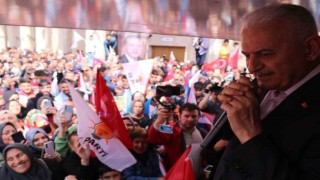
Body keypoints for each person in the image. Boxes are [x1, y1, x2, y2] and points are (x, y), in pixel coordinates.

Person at [213, 4, 320, 179]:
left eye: (266, 54)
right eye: (247, 55)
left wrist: (251, 135)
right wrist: (234, 111)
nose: (252, 67)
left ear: (311, 48)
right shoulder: (264, 87)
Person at [147, 103, 207, 170]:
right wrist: (158, 121)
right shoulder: (169, 128)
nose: (190, 119)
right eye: (186, 116)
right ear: (179, 116)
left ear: (198, 117)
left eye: (194, 116)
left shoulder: (202, 131)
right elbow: (152, 138)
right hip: (178, 172)